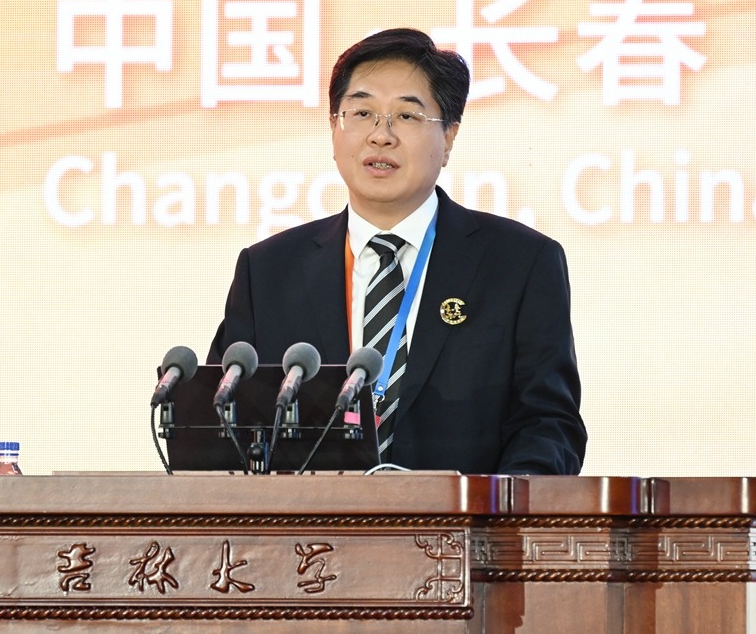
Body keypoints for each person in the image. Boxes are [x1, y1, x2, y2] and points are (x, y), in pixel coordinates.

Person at [208, 28, 586, 475]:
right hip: (308, 522)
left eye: (407, 116)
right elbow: (222, 427)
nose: (380, 136)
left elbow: (547, 424)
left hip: (467, 520)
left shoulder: (520, 263)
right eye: (362, 112)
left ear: (449, 137)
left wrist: (495, 507)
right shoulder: (269, 271)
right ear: (334, 128)